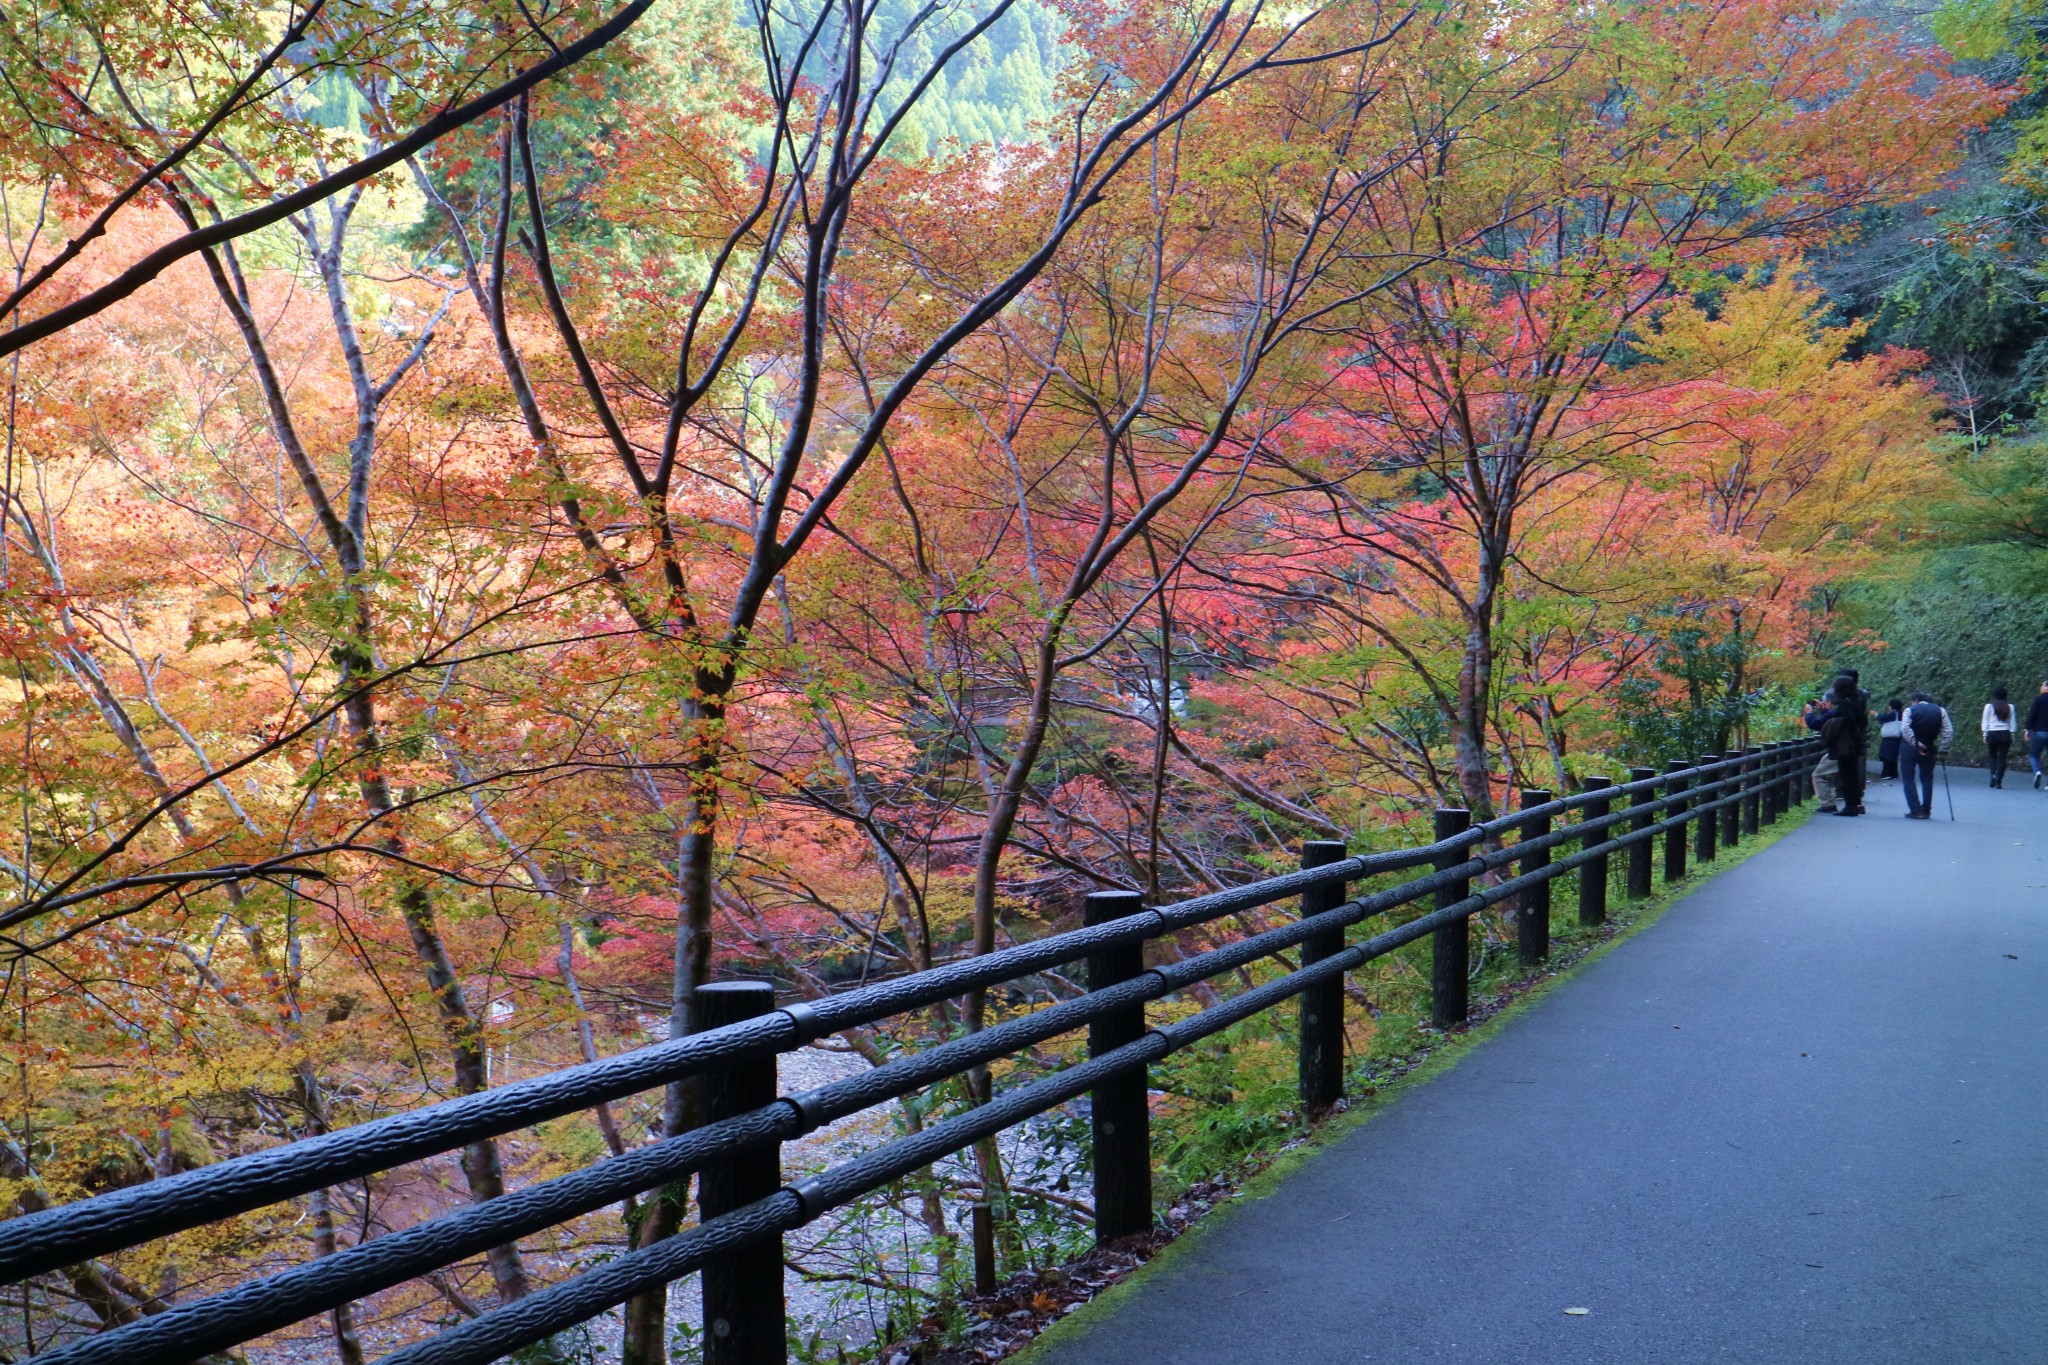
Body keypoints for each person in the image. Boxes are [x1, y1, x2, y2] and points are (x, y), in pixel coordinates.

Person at [1901, 691, 1953, 820]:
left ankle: (1915, 809)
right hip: (1930, 746)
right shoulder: (1940, 711)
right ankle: (1926, 809)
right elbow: (1948, 731)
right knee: (1927, 778)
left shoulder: (1910, 710)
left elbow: (1905, 729)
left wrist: (1915, 743)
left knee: (1908, 778)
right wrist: (1943, 748)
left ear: (1916, 701)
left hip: (1909, 748)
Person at [1825, 673, 1870, 816]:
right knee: (1853, 774)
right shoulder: (1858, 701)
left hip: (1846, 742)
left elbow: (1847, 719)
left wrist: (1837, 722)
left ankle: (1849, 806)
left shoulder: (1844, 702)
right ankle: (1855, 804)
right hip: (1856, 741)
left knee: (1846, 774)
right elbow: (1863, 721)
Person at [1804, 694, 1840, 812]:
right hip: (1846, 748)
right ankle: (1854, 804)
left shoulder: (1835, 712)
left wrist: (1808, 713)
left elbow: (1815, 724)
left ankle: (1827, 804)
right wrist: (1824, 709)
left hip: (1837, 750)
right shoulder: (1840, 711)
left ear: (1829, 702)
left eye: (1824, 702)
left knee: (1818, 775)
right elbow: (1827, 721)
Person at [1983, 686, 2019, 788]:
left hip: (1993, 734)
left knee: (1993, 756)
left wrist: (1985, 734)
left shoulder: (1989, 707)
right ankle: (1999, 781)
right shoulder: (2010, 707)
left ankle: (1993, 775)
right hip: (2005, 734)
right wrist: (2013, 734)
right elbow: (2013, 722)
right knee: (2002, 757)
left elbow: (1985, 721)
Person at [1876, 698, 1904, 781]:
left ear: (1892, 706)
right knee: (1893, 757)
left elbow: (1882, 718)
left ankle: (1886, 773)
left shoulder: (1893, 714)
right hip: (1898, 738)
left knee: (1886, 756)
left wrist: (1876, 714)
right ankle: (1894, 773)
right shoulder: (1901, 714)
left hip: (1889, 738)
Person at [2027, 679, 2048, 788]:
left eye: (2042, 686)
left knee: (2033, 755)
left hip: (2039, 732)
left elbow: (2032, 715)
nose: (2040, 688)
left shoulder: (2038, 700)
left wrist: (2027, 729)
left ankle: (2037, 771)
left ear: (2046, 688)